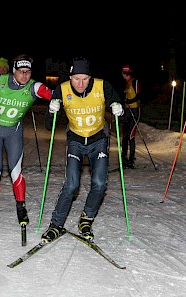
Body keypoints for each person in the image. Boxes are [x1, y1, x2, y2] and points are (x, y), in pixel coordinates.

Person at [41, 57, 124, 243]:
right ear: (70, 77)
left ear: (90, 77)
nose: (80, 83)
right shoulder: (61, 89)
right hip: (76, 141)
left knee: (100, 183)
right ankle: (56, 225)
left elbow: (121, 114)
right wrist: (51, 110)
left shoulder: (102, 86)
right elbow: (49, 125)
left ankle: (86, 219)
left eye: (85, 79)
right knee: (71, 185)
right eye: (76, 78)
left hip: (98, 140)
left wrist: (119, 110)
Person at [0, 54, 52, 228]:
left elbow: (53, 95)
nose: (24, 75)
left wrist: (59, 101)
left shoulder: (33, 87)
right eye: (21, 72)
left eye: (28, 72)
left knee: (16, 171)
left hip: (13, 132)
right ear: (14, 71)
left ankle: (21, 206)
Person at [121, 64, 142, 169]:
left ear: (126, 73)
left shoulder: (134, 82)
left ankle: (131, 159)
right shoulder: (127, 83)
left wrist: (130, 101)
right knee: (124, 135)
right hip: (127, 111)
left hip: (134, 110)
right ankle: (124, 157)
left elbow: (139, 95)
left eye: (122, 73)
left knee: (130, 135)